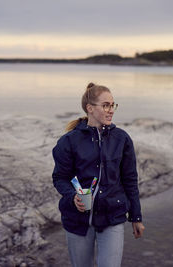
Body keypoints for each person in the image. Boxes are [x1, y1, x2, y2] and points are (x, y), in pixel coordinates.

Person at [52, 82, 145, 267]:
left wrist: (136, 216)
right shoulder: (68, 141)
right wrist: (73, 197)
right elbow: (60, 178)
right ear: (90, 108)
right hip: (77, 220)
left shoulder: (122, 139)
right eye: (105, 105)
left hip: (113, 216)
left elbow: (130, 180)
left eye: (113, 105)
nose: (111, 110)